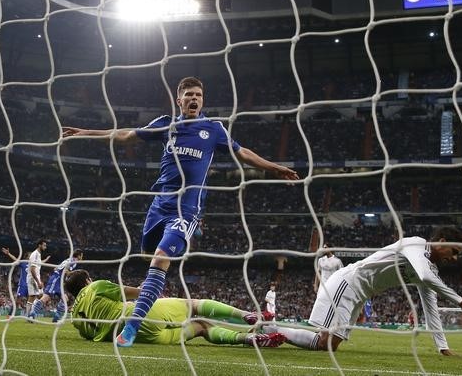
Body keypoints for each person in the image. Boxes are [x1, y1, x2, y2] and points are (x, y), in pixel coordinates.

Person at [62, 76, 299, 347]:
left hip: (185, 209)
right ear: (179, 100)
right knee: (149, 258)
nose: (194, 99)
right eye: (189, 95)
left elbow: (242, 152)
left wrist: (273, 167)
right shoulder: (166, 124)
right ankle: (163, 296)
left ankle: (130, 329)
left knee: (161, 258)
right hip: (158, 207)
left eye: (198, 94)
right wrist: (86, 133)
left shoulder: (213, 129)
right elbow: (125, 135)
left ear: (202, 100)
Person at [264, 227, 462, 354]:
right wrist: (460, 302)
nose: (455, 258)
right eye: (455, 250)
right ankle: (270, 327)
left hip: (358, 295)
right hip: (347, 283)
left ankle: (273, 329)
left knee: (328, 345)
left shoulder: (430, 270)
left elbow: (431, 310)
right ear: (441, 241)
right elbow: (422, 274)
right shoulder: (416, 244)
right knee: (325, 344)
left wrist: (443, 348)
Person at [63, 269, 285, 348]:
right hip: (136, 318)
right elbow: (139, 293)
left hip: (138, 339)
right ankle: (246, 315)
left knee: (200, 328)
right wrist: (144, 288)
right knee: (193, 306)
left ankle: (247, 339)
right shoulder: (96, 286)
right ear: (87, 280)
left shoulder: (74, 319)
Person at [29, 249, 84, 322]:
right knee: (46, 297)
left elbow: (56, 268)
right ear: (79, 255)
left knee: (65, 298)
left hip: (58, 280)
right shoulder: (74, 262)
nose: (82, 258)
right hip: (56, 279)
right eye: (82, 256)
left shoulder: (69, 260)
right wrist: (76, 273)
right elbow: (66, 271)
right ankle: (32, 315)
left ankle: (56, 318)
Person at [2, 247, 49, 317]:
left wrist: (46, 259)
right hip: (23, 284)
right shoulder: (23, 262)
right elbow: (15, 259)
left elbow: (41, 262)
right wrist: (8, 254)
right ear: (27, 256)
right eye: (30, 255)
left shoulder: (34, 263)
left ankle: (29, 316)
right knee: (17, 300)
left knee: (32, 301)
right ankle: (10, 315)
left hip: (31, 285)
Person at [26, 239, 48, 316]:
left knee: (40, 295)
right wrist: (38, 281)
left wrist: (39, 280)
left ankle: (30, 314)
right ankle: (29, 315)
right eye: (44, 245)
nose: (45, 247)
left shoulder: (38, 255)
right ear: (39, 245)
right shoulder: (34, 254)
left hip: (36, 278)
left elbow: (37, 269)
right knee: (33, 296)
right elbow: (32, 269)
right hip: (32, 278)